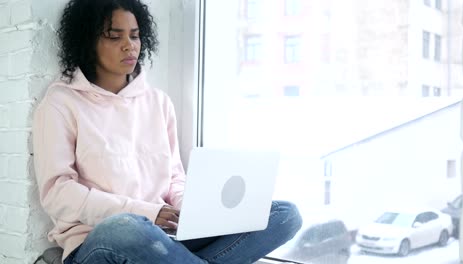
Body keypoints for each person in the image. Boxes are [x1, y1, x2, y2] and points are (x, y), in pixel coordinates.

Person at [32, 0, 303, 263]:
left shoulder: (158, 102)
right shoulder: (61, 103)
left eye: (135, 36)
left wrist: (192, 209)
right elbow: (58, 193)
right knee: (126, 226)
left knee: (285, 215)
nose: (130, 45)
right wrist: (146, 213)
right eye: (115, 37)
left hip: (167, 235)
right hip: (100, 240)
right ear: (88, 42)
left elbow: (174, 176)